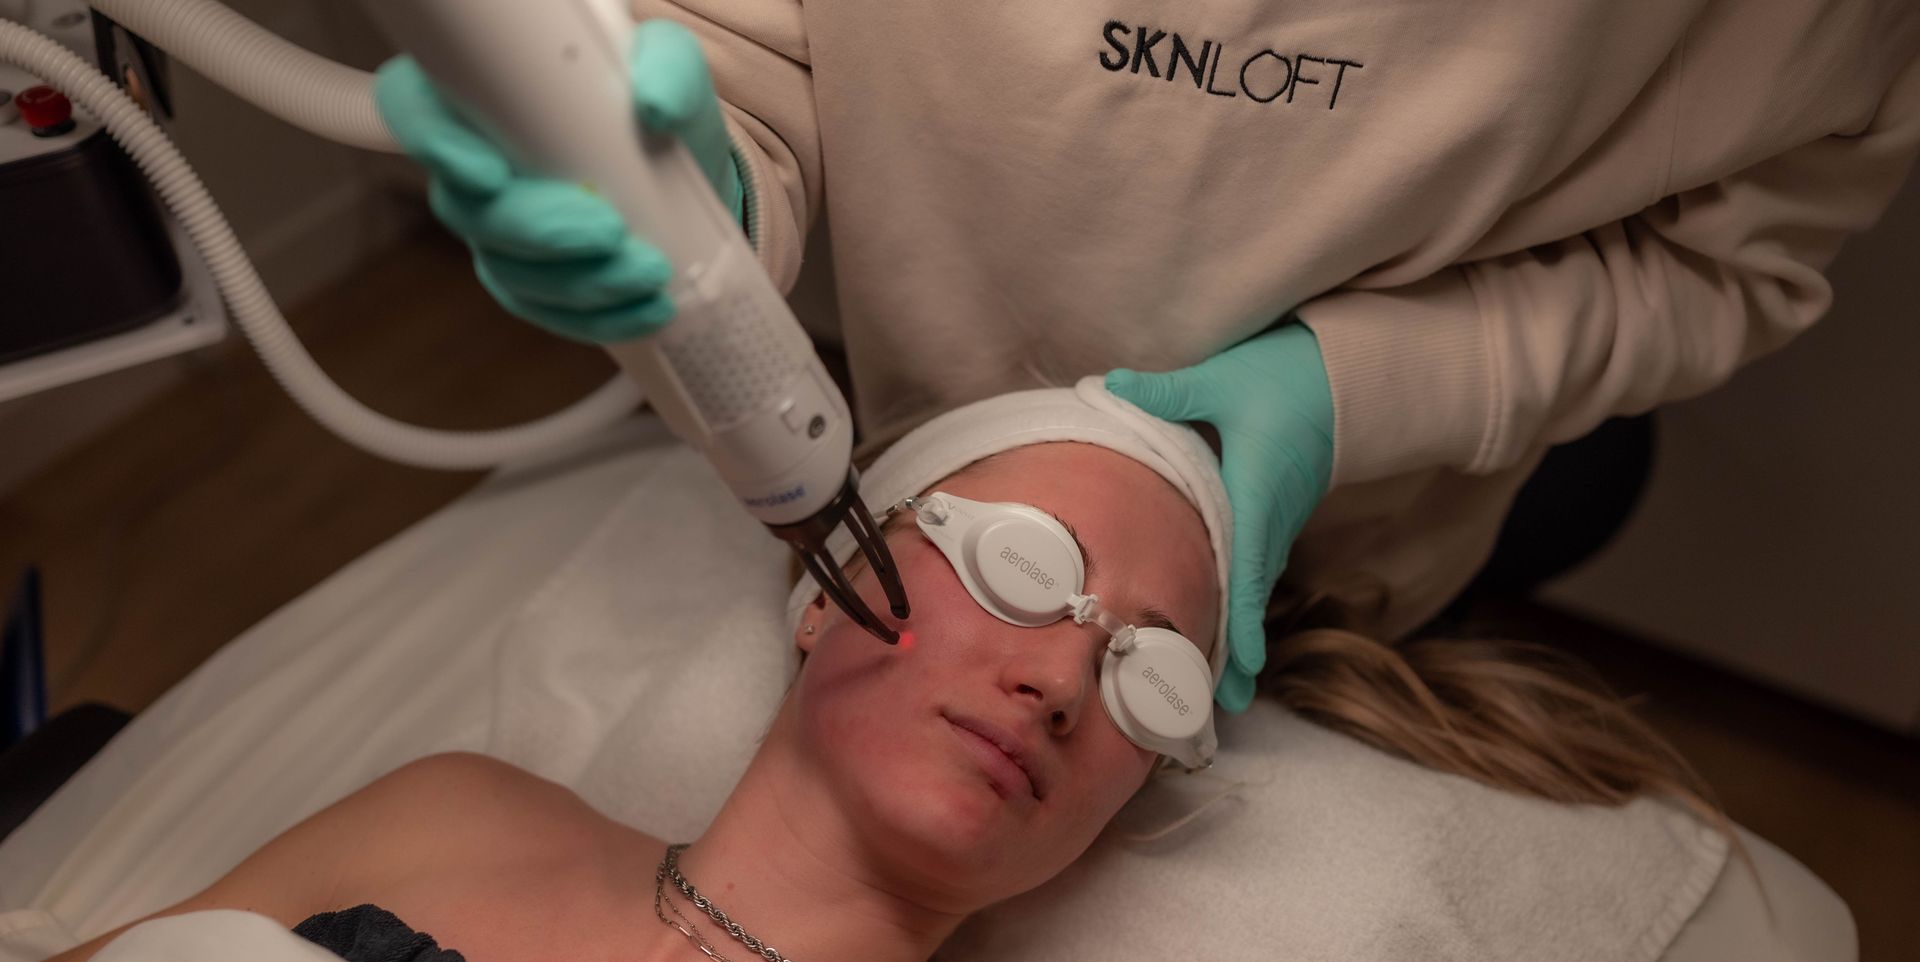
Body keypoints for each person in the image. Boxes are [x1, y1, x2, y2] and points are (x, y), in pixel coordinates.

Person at [0, 388, 1728, 962]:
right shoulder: (462, 816)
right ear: (827, 588)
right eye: (1024, 568)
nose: (1063, 676)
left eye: (1149, 675)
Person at [375, 4, 1920, 711]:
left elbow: (1733, 260)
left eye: (1145, 695)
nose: (1057, 676)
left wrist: (1367, 390)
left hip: (1378, 549)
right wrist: (691, 184)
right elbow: (730, 35)